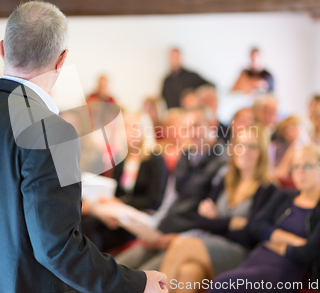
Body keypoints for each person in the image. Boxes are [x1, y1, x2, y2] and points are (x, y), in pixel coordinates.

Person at [0, 1, 167, 293]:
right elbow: (57, 247)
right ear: (61, 60)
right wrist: (136, 283)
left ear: (3, 49)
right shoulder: (55, 132)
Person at [159, 126, 277, 293]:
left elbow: (250, 234)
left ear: (262, 152)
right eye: (240, 145)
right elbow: (200, 221)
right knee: (189, 271)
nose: (244, 151)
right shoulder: (226, 181)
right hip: (211, 246)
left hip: (241, 253)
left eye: (252, 146)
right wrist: (231, 223)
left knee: (180, 245)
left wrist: (216, 221)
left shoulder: (267, 189)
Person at [212, 144, 320, 293]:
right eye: (295, 167)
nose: (299, 172)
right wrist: (294, 241)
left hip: (288, 269)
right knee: (223, 282)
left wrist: (274, 242)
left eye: (306, 166)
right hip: (258, 258)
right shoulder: (284, 196)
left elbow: (309, 251)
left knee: (223, 284)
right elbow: (256, 226)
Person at [116, 107, 228, 271]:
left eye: (196, 126)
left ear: (212, 125)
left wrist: (178, 239)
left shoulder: (223, 164)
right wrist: (153, 229)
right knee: (115, 268)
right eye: (186, 128)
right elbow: (171, 198)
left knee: (141, 278)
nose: (191, 133)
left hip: (186, 238)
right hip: (165, 230)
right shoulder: (186, 155)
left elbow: (213, 219)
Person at [81, 113, 168, 252]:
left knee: (92, 228)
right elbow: (115, 191)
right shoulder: (122, 158)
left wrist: (121, 203)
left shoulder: (155, 159)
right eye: (127, 127)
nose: (130, 132)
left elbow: (154, 200)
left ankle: (93, 269)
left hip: (137, 218)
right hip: (117, 214)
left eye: (135, 128)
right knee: (84, 220)